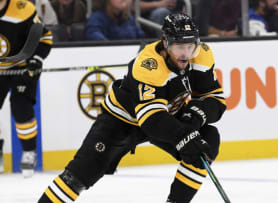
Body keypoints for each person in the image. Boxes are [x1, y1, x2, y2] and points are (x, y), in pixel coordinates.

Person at [38, 13, 226, 202]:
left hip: (166, 117)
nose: (185, 54)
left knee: (207, 141)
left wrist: (194, 117)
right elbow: (151, 119)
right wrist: (183, 135)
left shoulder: (202, 54)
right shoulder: (148, 64)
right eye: (179, 47)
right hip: (121, 121)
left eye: (190, 46)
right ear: (166, 43)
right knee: (78, 176)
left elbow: (215, 99)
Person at [0, 0, 53, 177]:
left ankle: (30, 151)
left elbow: (45, 37)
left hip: (22, 67)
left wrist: (37, 58)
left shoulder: (23, 8)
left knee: (20, 106)